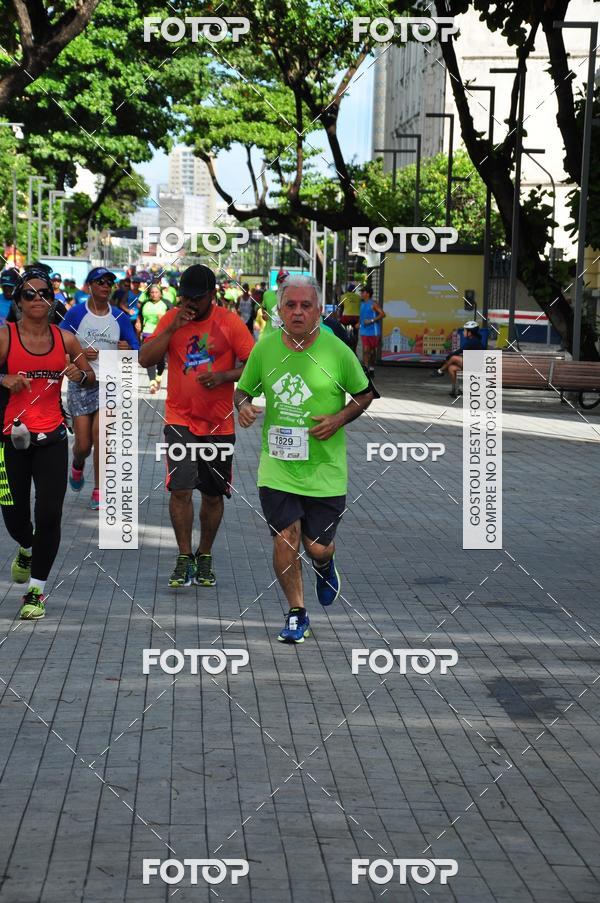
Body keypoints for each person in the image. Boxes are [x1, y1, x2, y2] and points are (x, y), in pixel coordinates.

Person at [234, 273, 374, 644]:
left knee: (316, 546)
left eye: (305, 306)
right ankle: (297, 612)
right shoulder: (265, 348)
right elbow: (243, 390)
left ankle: (325, 564)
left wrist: (339, 418)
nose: (297, 312)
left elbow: (365, 393)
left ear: (318, 312)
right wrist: (244, 406)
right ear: (279, 310)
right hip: (277, 466)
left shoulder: (336, 351)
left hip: (324, 469)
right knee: (286, 538)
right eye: (290, 305)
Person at [139, 264, 255, 588]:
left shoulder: (229, 323)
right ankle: (183, 555)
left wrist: (223, 376)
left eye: (197, 298)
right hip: (179, 419)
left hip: (219, 424)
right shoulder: (173, 318)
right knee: (181, 489)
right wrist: (171, 327)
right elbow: (144, 358)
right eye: (185, 296)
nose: (190, 302)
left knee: (213, 495)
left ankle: (204, 555)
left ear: (212, 295)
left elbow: (255, 366)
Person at [0, 267, 95, 619]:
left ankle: (35, 593)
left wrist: (79, 373)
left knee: (50, 515)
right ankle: (25, 546)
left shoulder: (65, 339)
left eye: (44, 293)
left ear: (53, 300)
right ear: (19, 302)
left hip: (52, 437)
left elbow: (90, 376)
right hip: (10, 439)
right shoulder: (6, 336)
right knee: (14, 519)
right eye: (29, 294)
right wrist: (4, 377)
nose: (37, 299)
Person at [59, 267, 139, 509]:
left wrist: (129, 351)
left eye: (109, 283)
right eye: (100, 281)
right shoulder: (75, 314)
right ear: (90, 286)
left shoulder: (120, 317)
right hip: (82, 382)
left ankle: (99, 490)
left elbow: (137, 350)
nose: (105, 286)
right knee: (83, 444)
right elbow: (60, 346)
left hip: (110, 384)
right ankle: (77, 463)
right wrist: (78, 354)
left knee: (101, 436)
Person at [436, 321, 484, 398]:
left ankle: (440, 370)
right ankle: (455, 390)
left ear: (470, 332)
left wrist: (449, 357)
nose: (463, 332)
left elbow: (459, 351)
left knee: (453, 358)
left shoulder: (473, 341)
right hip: (471, 364)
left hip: (476, 366)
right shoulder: (472, 340)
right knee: (451, 368)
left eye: (465, 330)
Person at [138, 283, 171, 393]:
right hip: (147, 333)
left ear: (160, 294)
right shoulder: (145, 304)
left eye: (156, 292)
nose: (154, 294)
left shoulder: (166, 304)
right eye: (152, 292)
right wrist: (138, 324)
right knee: (150, 357)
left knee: (160, 359)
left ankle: (159, 376)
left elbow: (174, 318)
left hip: (161, 334)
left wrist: (164, 319)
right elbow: (140, 316)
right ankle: (152, 382)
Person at [359, 285, 385, 379]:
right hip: (364, 331)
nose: (361, 294)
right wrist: (359, 323)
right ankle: (366, 370)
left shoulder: (373, 304)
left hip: (373, 332)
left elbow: (382, 314)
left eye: (363, 292)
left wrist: (371, 321)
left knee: (372, 352)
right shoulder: (361, 304)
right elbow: (362, 316)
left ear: (368, 294)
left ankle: (372, 369)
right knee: (366, 350)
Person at [259, 270, 288, 339]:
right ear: (277, 282)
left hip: (285, 338)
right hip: (268, 336)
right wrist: (264, 315)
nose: (284, 284)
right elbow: (263, 311)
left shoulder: (293, 298)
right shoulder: (267, 295)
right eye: (282, 281)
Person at [339, 283, 361, 352]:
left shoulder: (343, 296)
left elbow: (341, 307)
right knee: (356, 333)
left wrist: (340, 317)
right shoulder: (358, 297)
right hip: (356, 317)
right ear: (354, 291)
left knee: (340, 327)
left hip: (346, 317)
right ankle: (354, 349)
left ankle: (344, 342)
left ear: (348, 290)